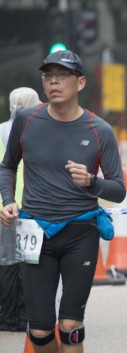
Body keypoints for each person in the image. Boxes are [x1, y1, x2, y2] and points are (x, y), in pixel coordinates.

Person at [0, 50, 126, 353]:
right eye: (48, 75)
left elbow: (118, 189)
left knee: (70, 324)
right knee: (40, 330)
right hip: (34, 233)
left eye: (62, 75)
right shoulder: (26, 120)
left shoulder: (99, 130)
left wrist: (92, 182)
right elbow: (7, 166)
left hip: (80, 234)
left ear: (80, 82)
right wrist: (8, 200)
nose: (53, 81)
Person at [0, 87, 40, 333]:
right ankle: (26, 314)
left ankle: (7, 316)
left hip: (4, 206)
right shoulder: (38, 130)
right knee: (28, 259)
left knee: (6, 261)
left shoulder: (0, 131)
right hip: (30, 204)